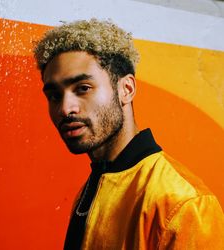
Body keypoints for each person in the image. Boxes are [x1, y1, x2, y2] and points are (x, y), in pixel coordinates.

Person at [34, 19, 224, 249]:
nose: (65, 109)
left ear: (126, 89)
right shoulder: (92, 187)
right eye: (54, 96)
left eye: (83, 88)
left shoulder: (183, 203)